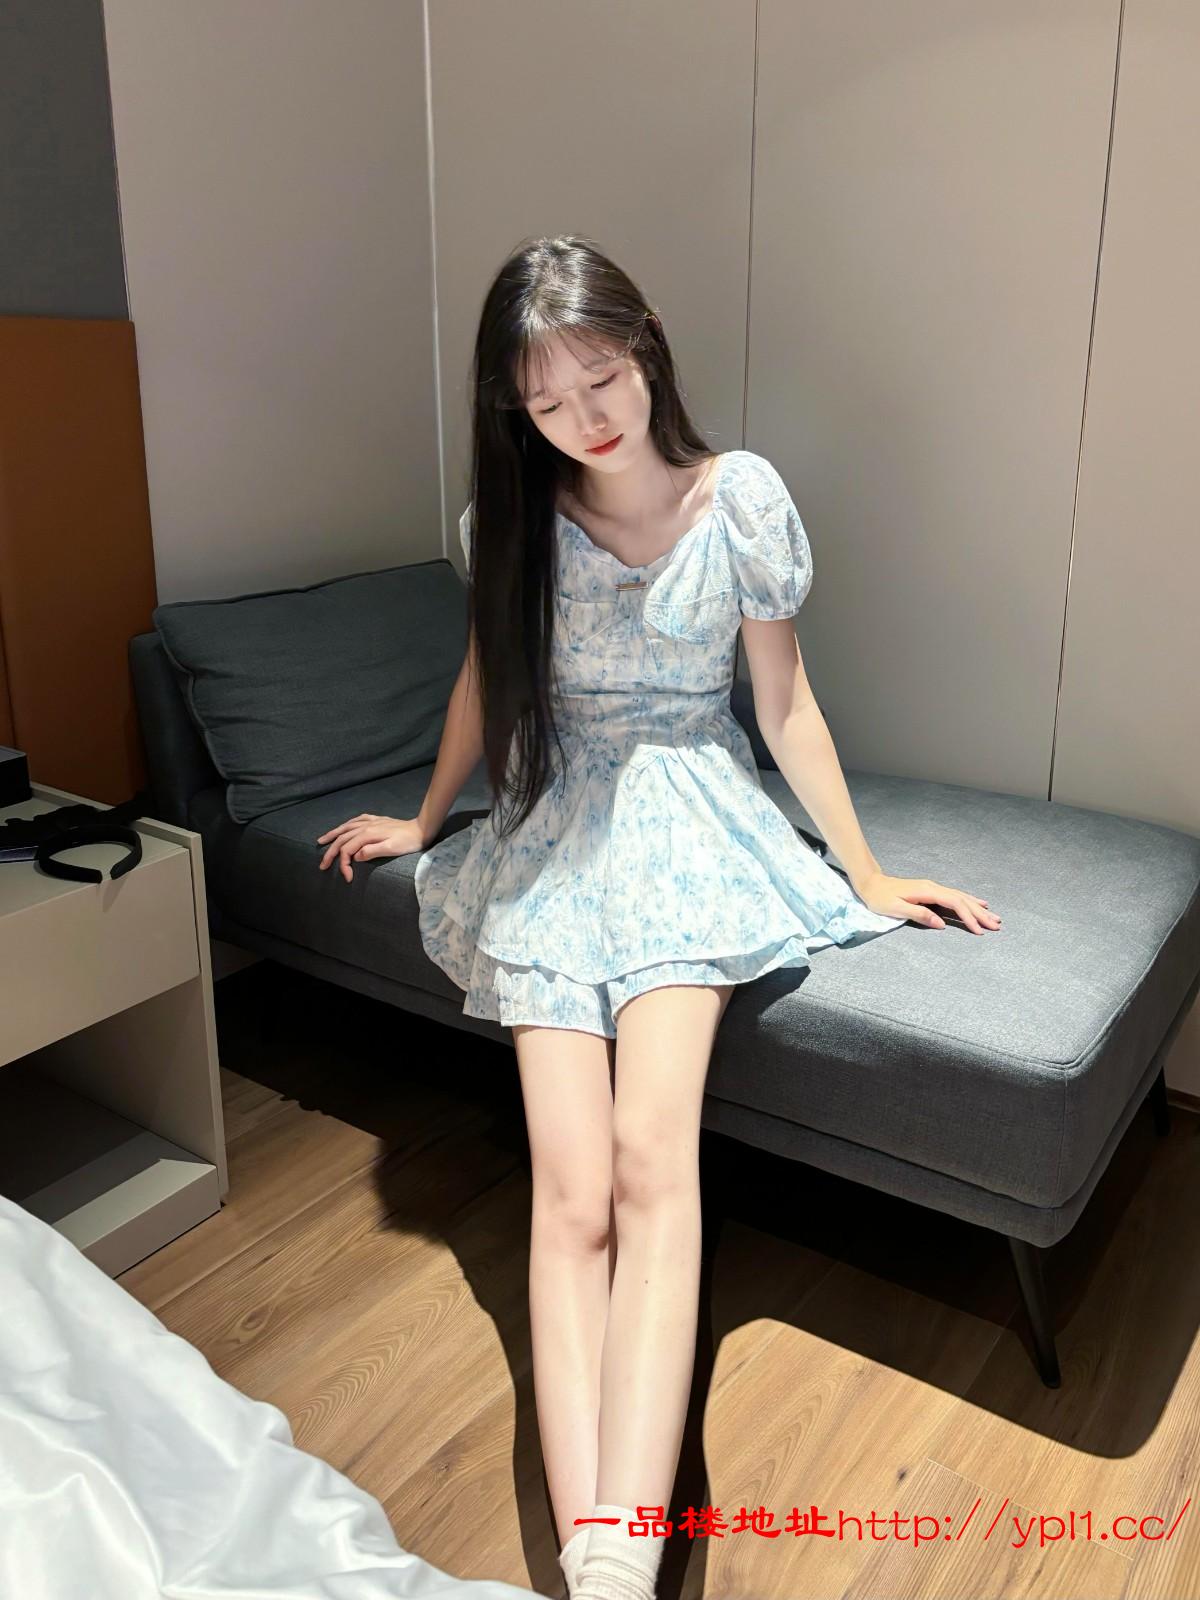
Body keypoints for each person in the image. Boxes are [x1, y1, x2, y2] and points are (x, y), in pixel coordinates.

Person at [315, 235, 1001, 1600]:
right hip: (556, 831)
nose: (585, 416)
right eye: (547, 400)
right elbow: (483, 684)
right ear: (514, 409)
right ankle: (602, 1556)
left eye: (602, 377)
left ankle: (618, 1562)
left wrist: (864, 872)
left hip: (691, 825)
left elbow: (783, 705)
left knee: (649, 1162)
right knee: (568, 1192)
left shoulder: (739, 498)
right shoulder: (512, 523)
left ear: (647, 345)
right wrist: (428, 818)